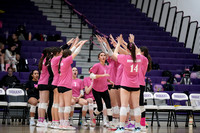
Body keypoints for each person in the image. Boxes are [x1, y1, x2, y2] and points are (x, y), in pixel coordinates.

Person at [113, 35, 146, 132]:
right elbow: (138, 51)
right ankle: (137, 127)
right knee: (136, 107)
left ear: (127, 50)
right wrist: (132, 42)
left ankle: (121, 127)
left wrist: (119, 43)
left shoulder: (125, 58)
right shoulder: (140, 58)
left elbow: (115, 53)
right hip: (136, 85)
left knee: (124, 106)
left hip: (125, 85)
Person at [57, 40, 87, 130]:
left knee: (61, 105)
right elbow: (75, 52)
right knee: (67, 105)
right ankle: (66, 124)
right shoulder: (66, 61)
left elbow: (70, 51)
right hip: (66, 86)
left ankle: (61, 124)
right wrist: (80, 45)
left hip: (59, 85)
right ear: (68, 55)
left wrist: (75, 45)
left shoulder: (60, 60)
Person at [89, 51, 115, 129]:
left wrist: (109, 81)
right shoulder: (97, 65)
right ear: (99, 58)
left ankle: (110, 122)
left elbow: (105, 77)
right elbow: (92, 76)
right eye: (101, 55)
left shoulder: (107, 67)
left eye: (104, 55)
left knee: (109, 105)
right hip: (96, 90)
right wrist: (103, 75)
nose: (103, 56)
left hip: (104, 89)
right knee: (99, 108)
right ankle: (93, 117)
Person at [36, 47, 51, 127]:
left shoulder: (42, 60)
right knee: (44, 103)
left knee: (41, 103)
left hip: (40, 83)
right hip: (45, 83)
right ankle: (42, 120)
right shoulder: (47, 61)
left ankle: (40, 120)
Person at [50, 47, 62, 129]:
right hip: (57, 83)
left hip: (54, 82)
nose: (62, 53)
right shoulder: (56, 58)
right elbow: (68, 55)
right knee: (56, 103)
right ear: (57, 53)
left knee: (54, 103)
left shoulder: (53, 58)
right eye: (61, 52)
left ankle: (54, 121)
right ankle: (56, 122)